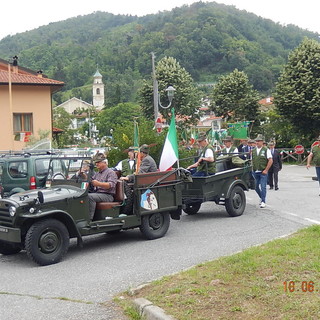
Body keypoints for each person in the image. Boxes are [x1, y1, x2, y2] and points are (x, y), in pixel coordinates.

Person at [88, 154, 118, 220]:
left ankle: (89, 219)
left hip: (108, 195)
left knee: (90, 197)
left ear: (104, 162)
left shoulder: (111, 172)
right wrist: (83, 176)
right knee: (83, 196)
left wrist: (98, 184)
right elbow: (91, 182)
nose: (96, 164)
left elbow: (110, 185)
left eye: (98, 162)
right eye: (96, 162)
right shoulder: (97, 173)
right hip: (98, 194)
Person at [252, 134, 273, 208]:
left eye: (259, 141)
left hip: (263, 171)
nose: (257, 142)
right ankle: (261, 197)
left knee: (263, 186)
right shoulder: (253, 151)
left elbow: (270, 160)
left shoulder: (266, 150)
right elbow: (252, 160)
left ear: (262, 142)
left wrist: (266, 170)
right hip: (255, 171)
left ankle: (263, 201)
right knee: (255, 186)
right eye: (256, 141)